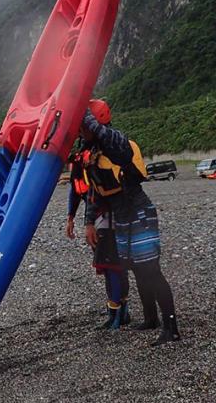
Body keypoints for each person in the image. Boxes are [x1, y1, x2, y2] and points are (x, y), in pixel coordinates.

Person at [78, 99, 181, 344]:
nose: (80, 133)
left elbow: (108, 138)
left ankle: (171, 328)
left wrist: (84, 112)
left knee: (151, 271)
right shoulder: (93, 153)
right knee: (136, 268)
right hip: (121, 216)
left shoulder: (117, 144)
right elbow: (95, 193)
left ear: (95, 123)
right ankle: (150, 318)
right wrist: (88, 222)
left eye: (83, 127)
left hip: (139, 213)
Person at [66, 137, 130, 329]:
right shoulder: (82, 156)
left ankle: (117, 313)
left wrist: (89, 223)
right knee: (111, 265)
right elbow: (76, 189)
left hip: (108, 216)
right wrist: (71, 217)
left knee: (111, 265)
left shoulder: (100, 153)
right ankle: (120, 311)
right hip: (99, 217)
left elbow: (96, 193)